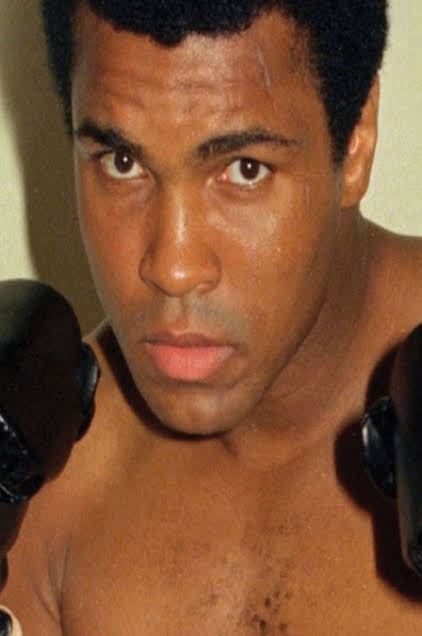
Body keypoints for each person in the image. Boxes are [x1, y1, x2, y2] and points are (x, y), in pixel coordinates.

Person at [3, 0, 422, 633]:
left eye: (244, 170)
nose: (174, 267)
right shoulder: (47, 485)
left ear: (357, 139)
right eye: (122, 163)